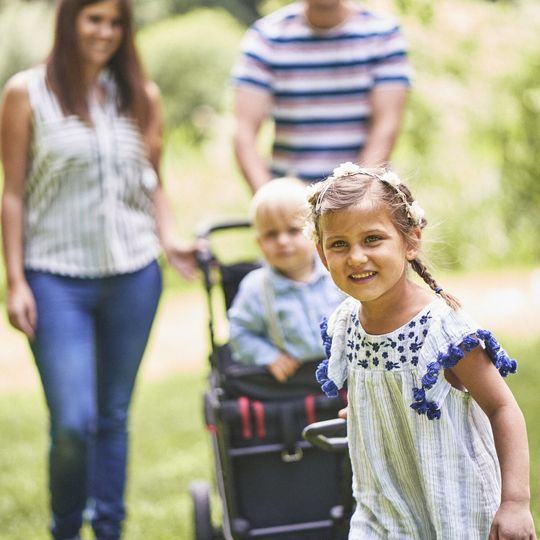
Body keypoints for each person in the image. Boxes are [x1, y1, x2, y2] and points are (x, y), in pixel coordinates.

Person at [0, 1, 198, 538]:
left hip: (133, 274)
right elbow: (13, 194)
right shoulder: (25, 93)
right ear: (70, 22)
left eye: (115, 23)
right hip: (54, 277)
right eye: (94, 19)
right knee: (72, 424)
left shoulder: (140, 96)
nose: (105, 32)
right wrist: (15, 279)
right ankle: (66, 529)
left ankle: (109, 528)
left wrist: (170, 240)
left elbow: (153, 184)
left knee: (112, 418)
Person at [306, 162, 536, 538]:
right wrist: (374, 408)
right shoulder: (346, 323)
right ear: (322, 254)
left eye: (373, 239)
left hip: (455, 509)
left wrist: (514, 502)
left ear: (410, 241)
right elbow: (379, 387)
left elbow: (503, 407)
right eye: (339, 245)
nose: (357, 257)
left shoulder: (443, 330)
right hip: (382, 511)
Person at [231, 0, 411, 192]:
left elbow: (386, 125)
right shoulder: (266, 38)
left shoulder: (383, 34)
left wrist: (356, 196)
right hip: (290, 199)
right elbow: (244, 132)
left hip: (365, 196)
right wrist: (270, 199)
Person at [228, 177, 345, 382]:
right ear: (259, 242)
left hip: (343, 374)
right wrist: (269, 356)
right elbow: (240, 334)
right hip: (290, 383)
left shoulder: (337, 274)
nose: (283, 241)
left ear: (315, 233)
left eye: (293, 231)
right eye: (271, 235)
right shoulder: (256, 288)